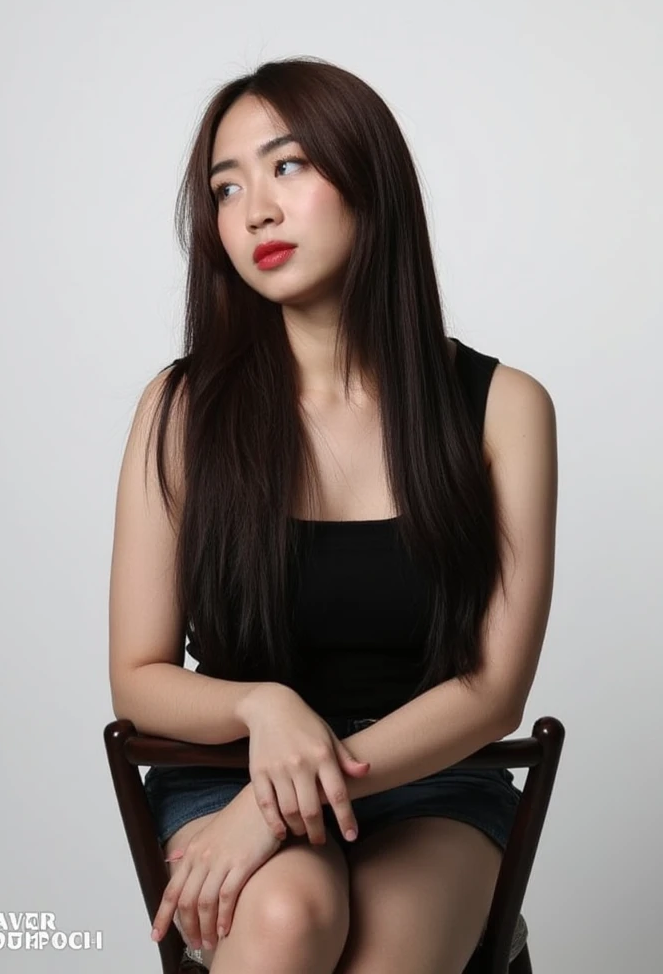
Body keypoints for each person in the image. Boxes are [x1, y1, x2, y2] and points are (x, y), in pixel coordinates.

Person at [109, 56, 558, 974]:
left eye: (287, 166)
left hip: (435, 781)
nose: (254, 211)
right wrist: (259, 704)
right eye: (224, 189)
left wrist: (269, 813)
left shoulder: (503, 406)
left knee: (387, 951)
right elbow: (138, 677)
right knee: (283, 919)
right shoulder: (182, 408)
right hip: (225, 772)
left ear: (370, 178)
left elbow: (494, 691)